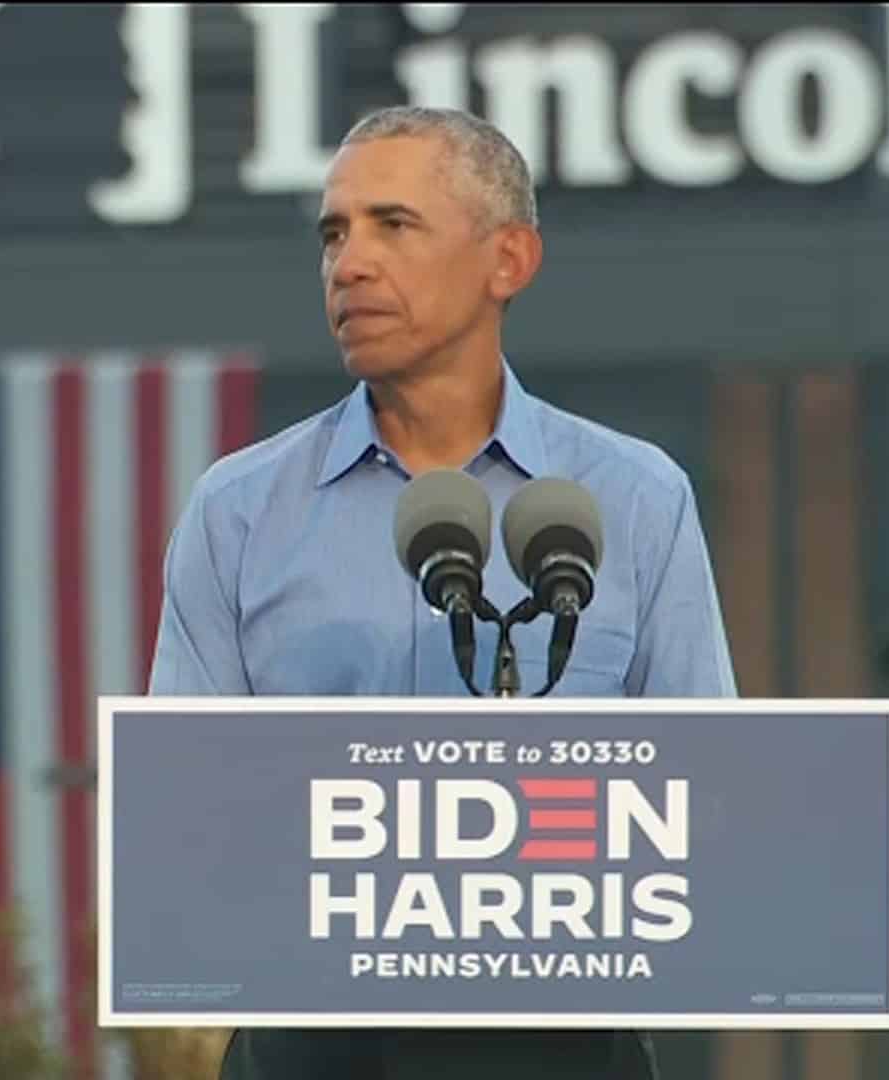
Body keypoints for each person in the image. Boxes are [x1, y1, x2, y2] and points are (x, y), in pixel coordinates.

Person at [146, 105, 738, 1080]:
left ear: (508, 260)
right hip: (310, 1047)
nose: (350, 264)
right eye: (334, 234)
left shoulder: (634, 500)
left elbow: (708, 800)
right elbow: (180, 812)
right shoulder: (240, 511)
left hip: (565, 1045)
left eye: (394, 225)